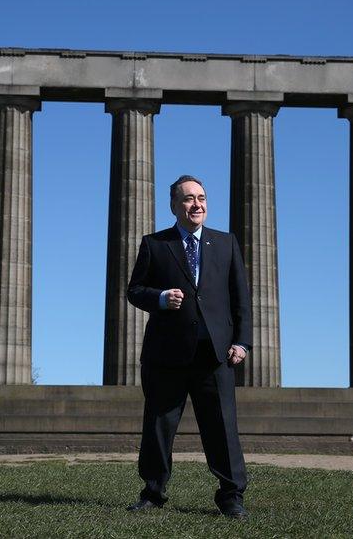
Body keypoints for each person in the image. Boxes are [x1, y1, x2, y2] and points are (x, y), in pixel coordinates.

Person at [125, 175, 252, 519]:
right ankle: (153, 492)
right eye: (188, 199)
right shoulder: (155, 244)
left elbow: (241, 298)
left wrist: (242, 341)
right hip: (167, 354)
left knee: (223, 428)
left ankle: (231, 496)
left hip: (215, 355)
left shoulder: (225, 243)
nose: (197, 204)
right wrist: (161, 298)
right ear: (174, 206)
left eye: (201, 198)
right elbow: (134, 290)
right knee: (159, 426)